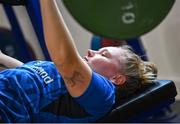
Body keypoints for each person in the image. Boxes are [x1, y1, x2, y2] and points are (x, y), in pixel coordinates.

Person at [0, 0, 158, 123]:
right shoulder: (59, 76)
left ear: (116, 78)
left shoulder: (103, 94)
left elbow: (65, 58)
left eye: (103, 54)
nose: (90, 51)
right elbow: (26, 72)